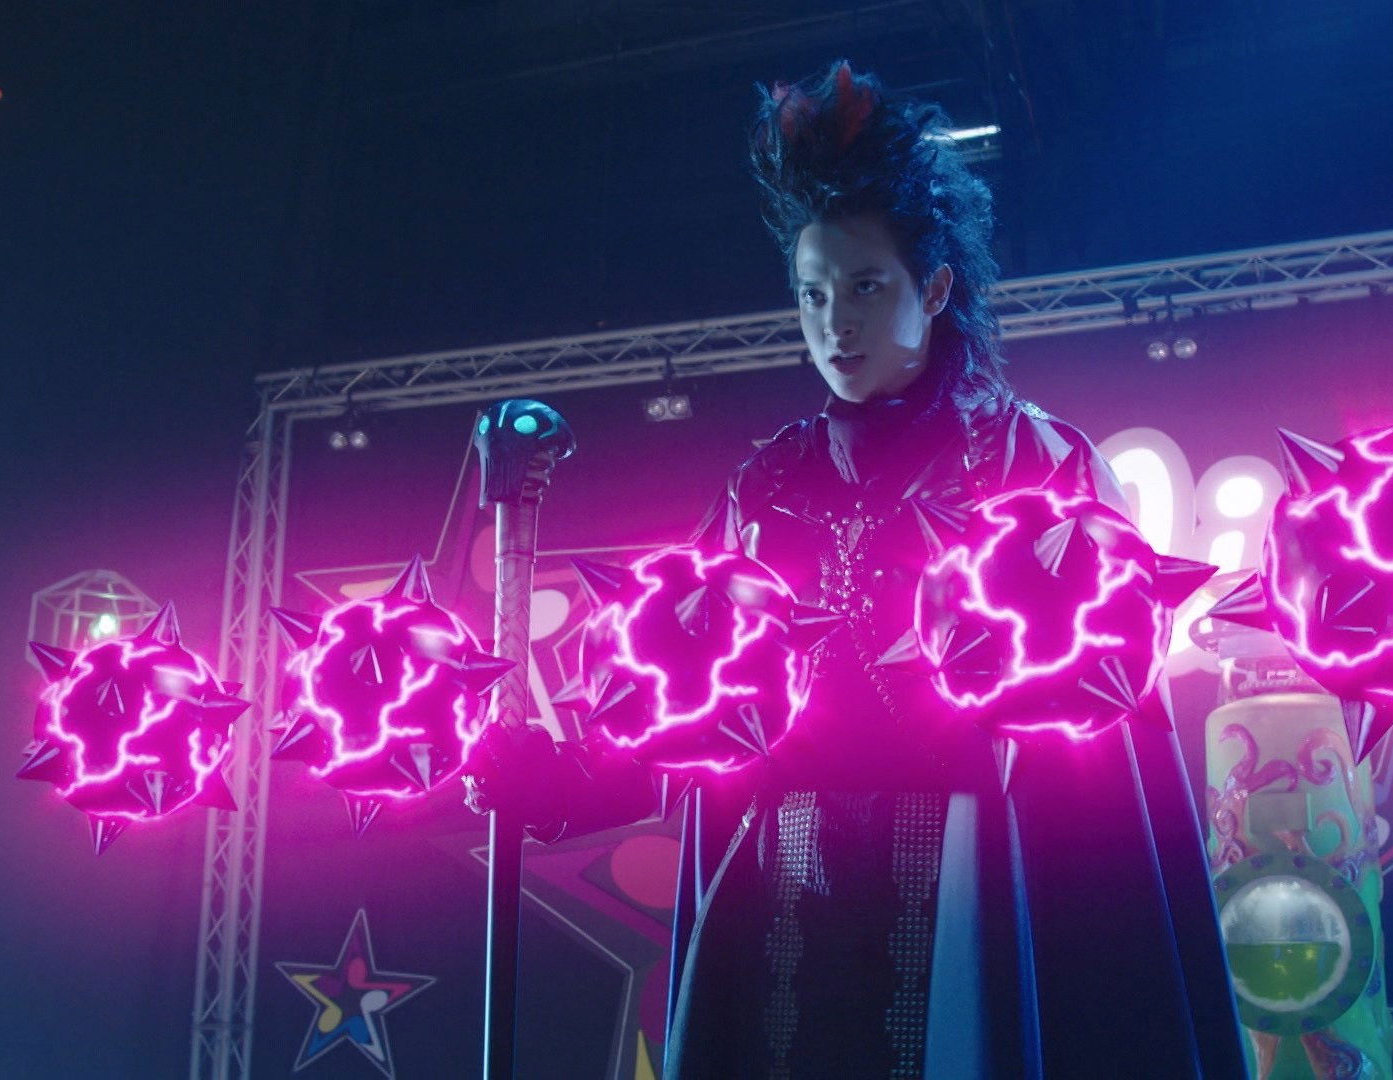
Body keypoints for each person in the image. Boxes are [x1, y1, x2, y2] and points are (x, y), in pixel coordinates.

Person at [468, 60, 1243, 1078]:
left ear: (935, 287)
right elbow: (687, 706)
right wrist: (565, 782)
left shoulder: (1034, 461)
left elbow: (1101, 745)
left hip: (975, 876)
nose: (836, 322)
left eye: (867, 287)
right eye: (813, 293)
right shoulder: (764, 487)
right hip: (785, 884)